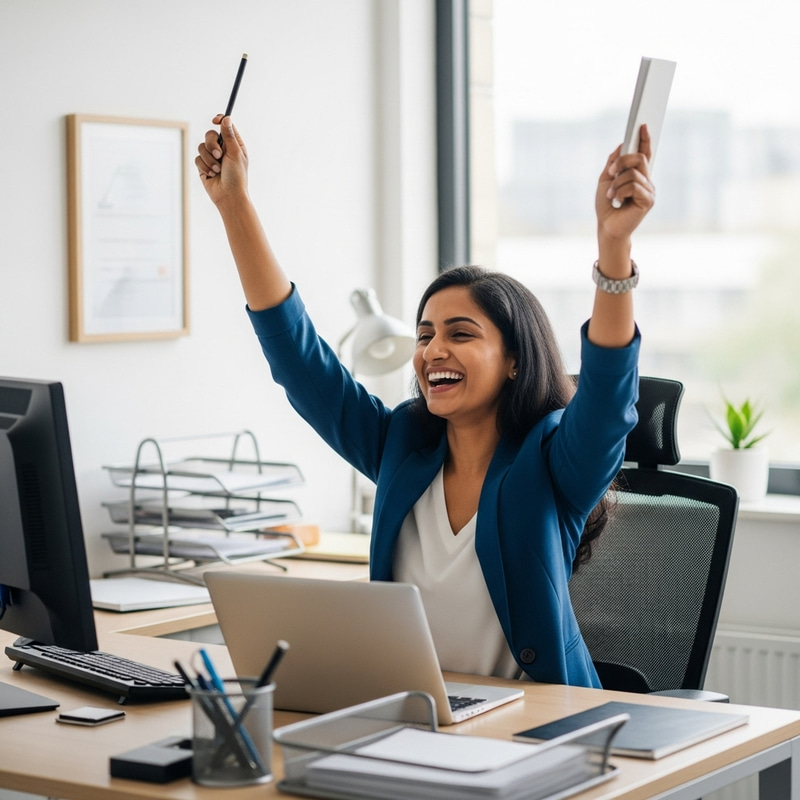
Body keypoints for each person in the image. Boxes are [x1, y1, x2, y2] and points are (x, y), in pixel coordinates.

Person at [196, 114, 655, 688]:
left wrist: (614, 246)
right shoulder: (402, 443)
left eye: (461, 334)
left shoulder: (552, 463)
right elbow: (300, 363)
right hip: (418, 714)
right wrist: (233, 203)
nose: (433, 350)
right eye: (424, 335)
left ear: (515, 360)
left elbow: (609, 400)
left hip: (538, 721)